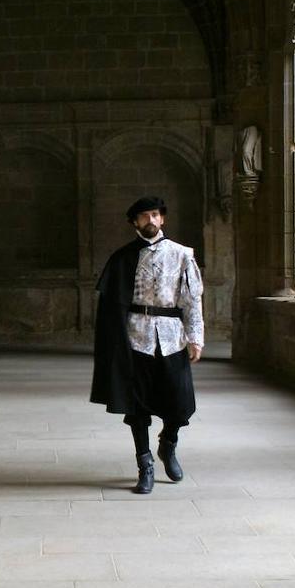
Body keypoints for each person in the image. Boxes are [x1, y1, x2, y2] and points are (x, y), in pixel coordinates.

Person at [90, 195, 204, 494]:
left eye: (155, 215)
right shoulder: (123, 257)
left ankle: (168, 444)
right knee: (137, 405)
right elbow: (111, 304)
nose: (150, 220)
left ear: (162, 219)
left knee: (178, 403)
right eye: (144, 216)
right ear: (134, 223)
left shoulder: (182, 255)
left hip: (171, 336)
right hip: (135, 338)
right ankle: (145, 464)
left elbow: (192, 300)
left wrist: (196, 338)